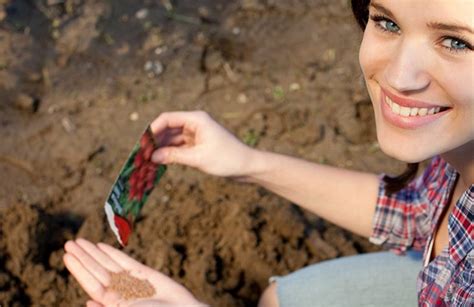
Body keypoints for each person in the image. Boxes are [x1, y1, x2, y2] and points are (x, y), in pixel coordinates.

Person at [63, 0, 473, 306]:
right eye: (387, 22)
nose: (400, 77)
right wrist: (248, 164)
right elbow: (418, 209)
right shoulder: (460, 156)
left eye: (456, 42)